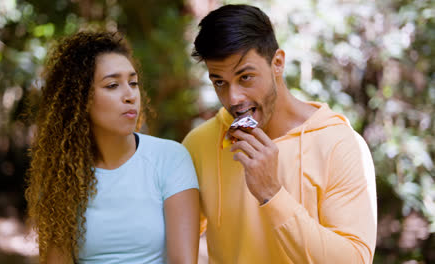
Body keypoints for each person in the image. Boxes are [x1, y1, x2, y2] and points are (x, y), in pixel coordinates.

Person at [182, 4, 377, 264]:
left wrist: (272, 194)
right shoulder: (200, 144)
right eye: (219, 82)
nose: (233, 98)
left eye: (246, 77)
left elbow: (354, 259)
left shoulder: (339, 144)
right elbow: (168, 241)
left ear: (277, 63)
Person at [25, 31, 199, 264]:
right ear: (80, 100)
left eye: (133, 83)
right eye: (113, 85)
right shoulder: (62, 175)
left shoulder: (170, 158)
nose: (130, 95)